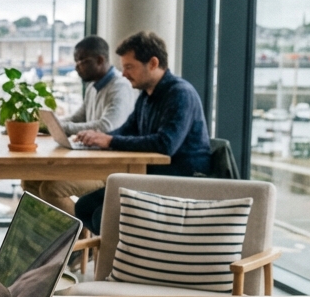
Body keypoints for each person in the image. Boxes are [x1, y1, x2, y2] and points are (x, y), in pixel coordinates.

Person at [73, 31, 211, 234]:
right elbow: (127, 130)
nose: (124, 73)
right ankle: (122, 255)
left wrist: (110, 140)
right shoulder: (146, 96)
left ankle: (125, 257)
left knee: (103, 214)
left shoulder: (180, 93)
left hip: (183, 180)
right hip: (153, 176)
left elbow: (165, 144)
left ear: (153, 63)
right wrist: (99, 139)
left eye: (129, 67)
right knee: (84, 207)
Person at [22, 35, 134, 215]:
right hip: (91, 161)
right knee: (30, 181)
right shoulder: (93, 87)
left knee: (51, 189)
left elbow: (107, 127)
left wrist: (60, 128)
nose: (76, 66)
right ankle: (56, 234)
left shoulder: (120, 87)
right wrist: (47, 125)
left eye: (81, 60)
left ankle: (77, 233)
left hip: (109, 168)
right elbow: (77, 118)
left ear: (100, 60)